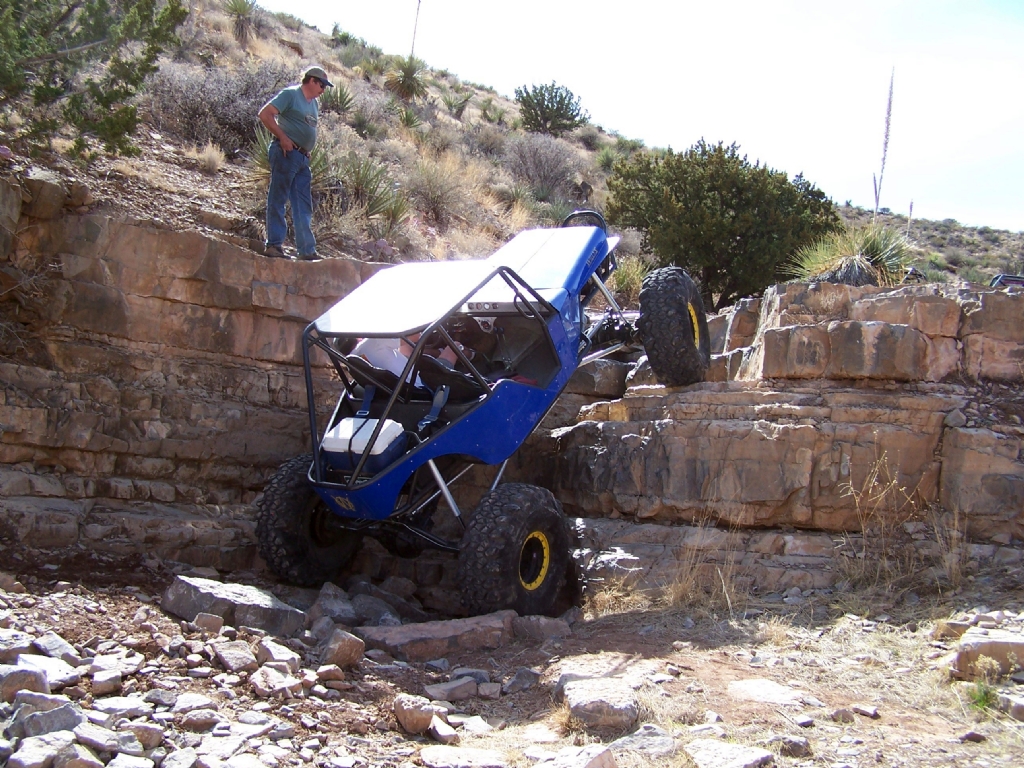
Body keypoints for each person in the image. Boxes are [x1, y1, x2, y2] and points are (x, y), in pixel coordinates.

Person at [257, 66, 333, 261]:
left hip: (301, 158)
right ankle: (274, 245)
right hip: (285, 153)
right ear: (312, 81)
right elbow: (265, 114)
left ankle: (306, 250)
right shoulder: (291, 94)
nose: (323, 89)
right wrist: (282, 137)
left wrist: (306, 150)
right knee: (278, 198)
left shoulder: (314, 104)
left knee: (303, 204)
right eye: (322, 85)